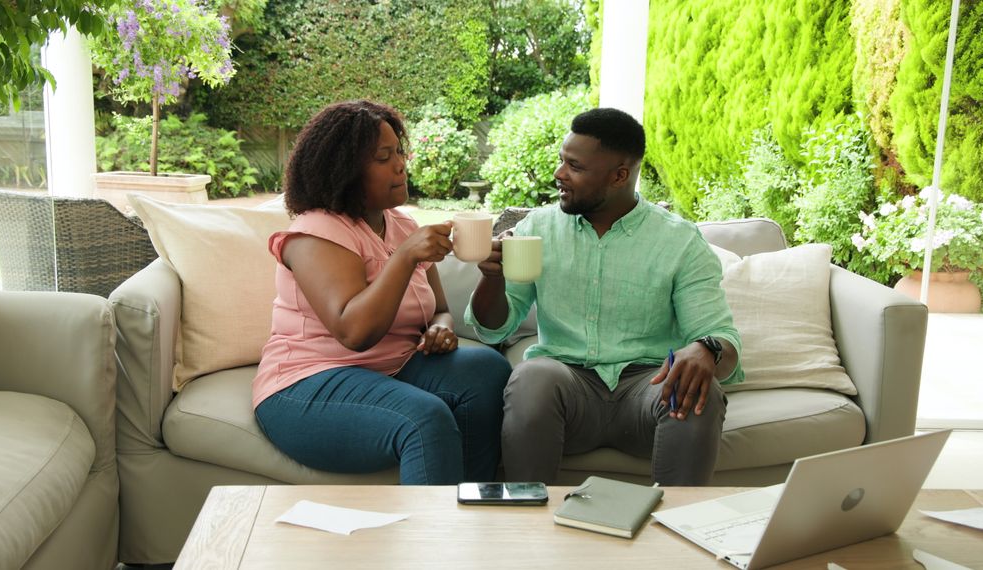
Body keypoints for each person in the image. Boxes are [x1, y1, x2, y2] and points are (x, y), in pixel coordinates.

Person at [466, 107, 743, 486]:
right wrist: (491, 278)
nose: (559, 174)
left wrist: (706, 350)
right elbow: (493, 329)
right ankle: (528, 515)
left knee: (698, 389)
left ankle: (675, 521)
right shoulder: (537, 229)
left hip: (647, 390)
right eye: (562, 161)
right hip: (565, 388)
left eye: (575, 166)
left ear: (619, 176)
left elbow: (722, 341)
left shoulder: (679, 241)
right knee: (533, 376)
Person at [253, 100, 510, 485]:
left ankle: (471, 503)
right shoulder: (315, 232)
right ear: (345, 170)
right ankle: (435, 526)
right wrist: (405, 257)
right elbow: (354, 332)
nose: (401, 165)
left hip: (394, 369)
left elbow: (439, 309)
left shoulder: (401, 224)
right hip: (308, 383)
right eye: (382, 158)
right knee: (424, 418)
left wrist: (439, 328)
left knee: (488, 370)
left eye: (399, 151)